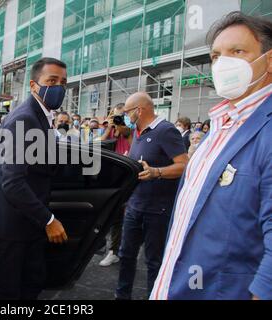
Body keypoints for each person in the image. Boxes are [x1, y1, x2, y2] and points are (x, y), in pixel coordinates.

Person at [151, 12, 272, 301]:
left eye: (237, 52)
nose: (222, 63)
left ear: (269, 61)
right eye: (216, 55)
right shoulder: (221, 124)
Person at [0, 58, 69, 300]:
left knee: (30, 286)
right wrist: (48, 220)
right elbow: (13, 182)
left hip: (24, 223)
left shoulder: (41, 115)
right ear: (34, 85)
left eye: (63, 82)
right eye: (52, 81)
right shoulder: (25, 118)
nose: (59, 88)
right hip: (8, 226)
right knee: (8, 294)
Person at [115, 92, 188, 300]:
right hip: (135, 205)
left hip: (157, 209)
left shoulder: (166, 131)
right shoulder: (137, 132)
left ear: (139, 110)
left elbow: (184, 165)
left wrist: (157, 172)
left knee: (154, 262)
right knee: (126, 256)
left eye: (127, 112)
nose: (125, 116)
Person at [99, 103, 133, 267]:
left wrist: (120, 123)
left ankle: (116, 249)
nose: (119, 118)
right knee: (114, 214)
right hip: (111, 172)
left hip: (127, 171)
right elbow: (101, 143)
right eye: (116, 115)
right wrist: (109, 126)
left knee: (123, 214)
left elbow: (126, 133)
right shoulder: (110, 128)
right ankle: (113, 250)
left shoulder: (130, 127)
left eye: (122, 115)